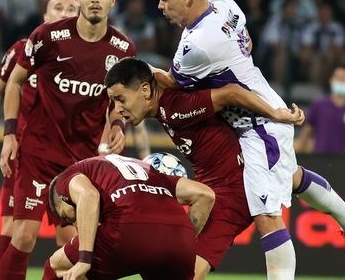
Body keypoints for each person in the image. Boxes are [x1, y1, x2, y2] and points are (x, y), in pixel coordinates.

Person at [147, 0, 345, 278]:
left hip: (259, 126)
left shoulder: (197, 46)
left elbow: (171, 83)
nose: (159, 6)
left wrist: (140, 69)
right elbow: (247, 41)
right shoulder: (224, 4)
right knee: (290, 175)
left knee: (266, 215)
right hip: (251, 120)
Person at [105, 56, 304, 279]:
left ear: (144, 90)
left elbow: (231, 93)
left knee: (183, 274)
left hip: (231, 196)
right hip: (212, 188)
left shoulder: (177, 109)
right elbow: (150, 72)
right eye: (114, 102)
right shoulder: (157, 97)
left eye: (121, 99)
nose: (117, 108)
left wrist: (275, 112)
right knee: (164, 260)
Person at [0, 0, 136, 280]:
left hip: (80, 163)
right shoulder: (48, 37)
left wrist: (117, 126)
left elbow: (119, 102)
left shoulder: (123, 50)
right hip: (39, 153)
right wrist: (8, 134)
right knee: (22, 237)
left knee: (73, 249)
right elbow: (14, 82)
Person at [0, 0, 78, 280]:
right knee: (16, 233)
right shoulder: (23, 50)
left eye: (71, 8)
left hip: (69, 156)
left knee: (70, 241)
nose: (64, 12)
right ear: (45, 17)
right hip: (23, 152)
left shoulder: (84, 58)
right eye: (58, 7)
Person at [45, 154, 215, 280]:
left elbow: (88, 196)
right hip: (181, 241)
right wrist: (175, 242)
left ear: (62, 196)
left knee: (55, 267)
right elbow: (205, 195)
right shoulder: (150, 172)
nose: (76, 223)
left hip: (126, 231)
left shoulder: (66, 178)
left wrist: (84, 259)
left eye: (67, 217)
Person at [297, 66, 345, 155]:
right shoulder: (318, 105)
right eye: (339, 78)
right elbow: (307, 130)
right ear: (331, 80)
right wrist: (299, 153)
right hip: (319, 156)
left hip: (344, 158)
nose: (342, 81)